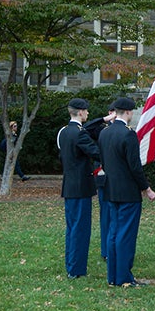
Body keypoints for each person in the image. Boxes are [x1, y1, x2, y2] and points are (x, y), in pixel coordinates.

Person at [98, 97, 155, 287]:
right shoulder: (128, 135)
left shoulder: (104, 134)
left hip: (110, 189)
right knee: (125, 235)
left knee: (113, 232)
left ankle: (113, 276)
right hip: (128, 192)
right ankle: (123, 277)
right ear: (129, 113)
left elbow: (104, 162)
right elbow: (134, 167)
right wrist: (146, 188)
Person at [56, 98, 101, 279]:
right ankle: (76, 270)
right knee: (80, 229)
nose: (88, 114)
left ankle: (71, 264)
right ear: (81, 112)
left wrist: (104, 119)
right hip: (81, 186)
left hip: (70, 185)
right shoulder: (79, 134)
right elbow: (96, 152)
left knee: (72, 228)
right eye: (86, 111)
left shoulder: (65, 132)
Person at [84, 104, 117, 261]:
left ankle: (116, 247)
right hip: (103, 177)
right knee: (106, 214)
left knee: (117, 215)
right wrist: (104, 119)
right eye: (115, 112)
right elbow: (85, 128)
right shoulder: (101, 129)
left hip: (119, 179)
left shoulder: (125, 130)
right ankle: (106, 251)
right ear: (110, 112)